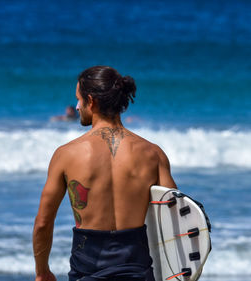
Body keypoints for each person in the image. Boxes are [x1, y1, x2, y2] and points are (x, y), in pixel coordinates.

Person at [32, 65, 177, 281]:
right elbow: (174, 217)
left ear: (91, 101)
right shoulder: (152, 154)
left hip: (88, 270)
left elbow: (43, 222)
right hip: (138, 272)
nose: (77, 107)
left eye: (79, 100)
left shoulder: (66, 155)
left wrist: (42, 272)